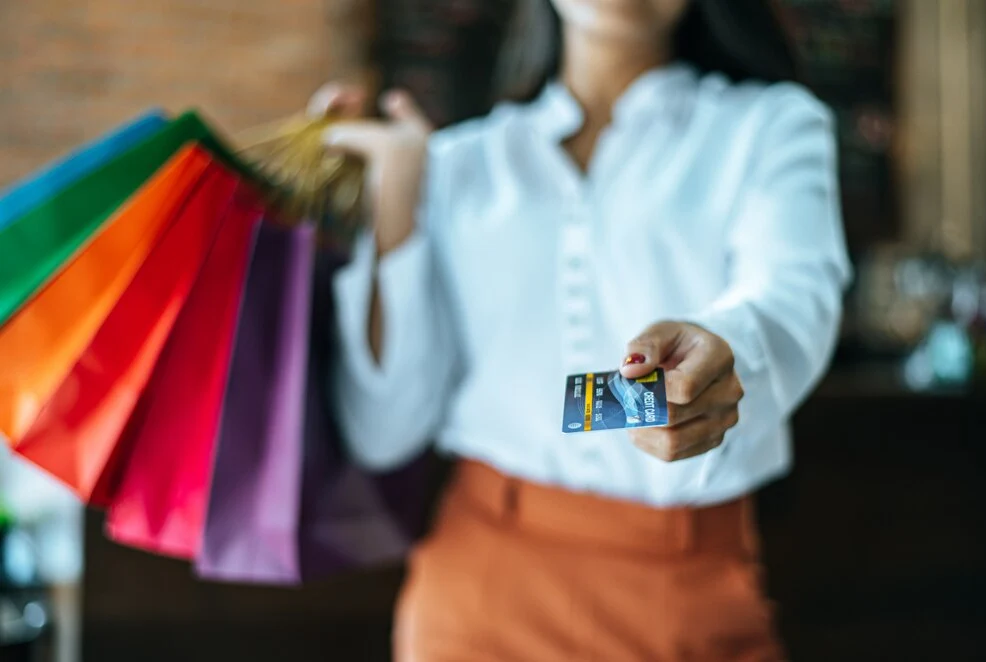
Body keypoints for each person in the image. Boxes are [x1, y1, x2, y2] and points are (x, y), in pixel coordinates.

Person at [311, 0, 851, 659]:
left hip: (685, 594)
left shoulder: (770, 125)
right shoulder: (456, 165)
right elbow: (383, 431)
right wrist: (395, 200)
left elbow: (795, 296)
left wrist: (726, 353)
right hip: (479, 594)